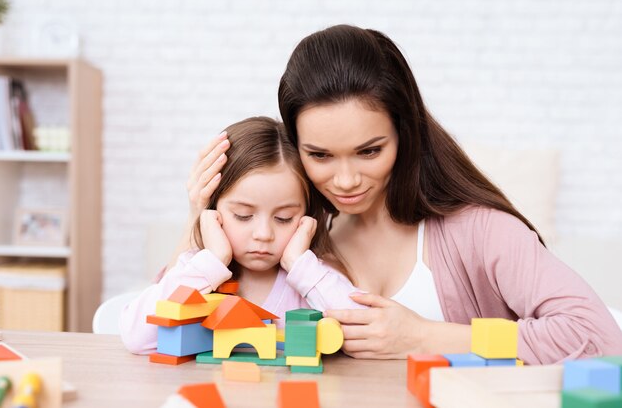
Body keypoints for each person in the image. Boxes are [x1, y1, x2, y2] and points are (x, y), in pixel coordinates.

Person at [175, 25, 622, 365]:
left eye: (370, 151)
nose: (346, 180)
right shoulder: (291, 236)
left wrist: (428, 337)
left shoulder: (478, 231)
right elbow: (169, 322)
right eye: (321, 155)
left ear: (404, 133)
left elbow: (597, 337)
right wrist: (200, 214)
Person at [120, 117, 364, 355]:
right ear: (213, 213)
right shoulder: (197, 270)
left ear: (306, 218)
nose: (263, 234)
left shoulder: (313, 278)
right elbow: (136, 337)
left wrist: (301, 267)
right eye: (243, 215)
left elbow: (362, 329)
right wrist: (212, 261)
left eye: (284, 218)